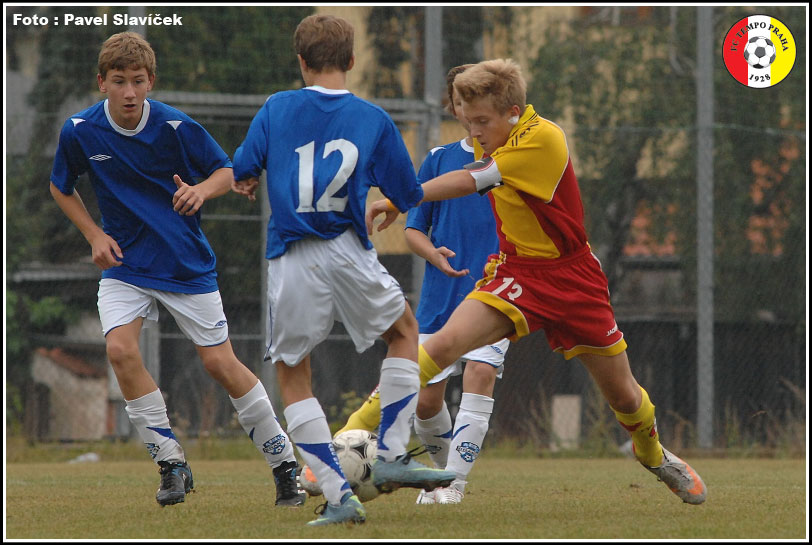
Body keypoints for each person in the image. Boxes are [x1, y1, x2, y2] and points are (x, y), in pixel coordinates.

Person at [366, 58, 707, 506]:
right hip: (513, 276)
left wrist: (399, 196)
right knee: (441, 358)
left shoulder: (539, 139)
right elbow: (439, 198)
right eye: (467, 118)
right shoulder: (459, 152)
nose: (473, 130)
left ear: (510, 112)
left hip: (573, 280)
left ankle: (654, 454)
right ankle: (370, 445)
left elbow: (472, 180)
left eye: (481, 120)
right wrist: (407, 209)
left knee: (623, 395)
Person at [48, 31, 306, 508]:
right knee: (120, 350)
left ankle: (284, 464)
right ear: (101, 82)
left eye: (138, 81)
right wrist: (94, 235)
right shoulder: (80, 129)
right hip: (125, 265)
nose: (129, 92)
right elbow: (60, 186)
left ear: (151, 82)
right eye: (119, 81)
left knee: (219, 364)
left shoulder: (175, 126)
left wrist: (201, 190)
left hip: (184, 265)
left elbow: (227, 170)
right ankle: (171, 463)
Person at [230, 14, 455, 526]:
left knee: (293, 374)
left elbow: (243, 167)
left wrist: (249, 178)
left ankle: (337, 496)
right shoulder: (372, 118)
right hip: (349, 248)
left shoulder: (276, 106)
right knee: (404, 333)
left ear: (301, 62)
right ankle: (392, 453)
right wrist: (391, 202)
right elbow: (408, 191)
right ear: (351, 60)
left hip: (292, 254)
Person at [334, 64, 510, 506]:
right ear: (454, 107)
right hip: (440, 297)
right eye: (461, 101)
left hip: (495, 291)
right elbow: (414, 229)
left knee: (481, 372)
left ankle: (455, 486)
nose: (468, 110)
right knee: (427, 402)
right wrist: (433, 253)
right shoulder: (438, 159)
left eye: (477, 102)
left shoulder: (510, 157)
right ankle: (440, 477)